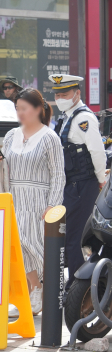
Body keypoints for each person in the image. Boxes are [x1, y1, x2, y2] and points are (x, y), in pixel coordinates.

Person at [0, 88, 65, 316]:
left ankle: (39, 291)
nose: (20, 113)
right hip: (14, 198)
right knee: (18, 247)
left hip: (39, 201)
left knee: (35, 248)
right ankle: (34, 291)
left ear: (38, 109)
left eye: (24, 108)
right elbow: (3, 169)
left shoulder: (50, 137)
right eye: (17, 108)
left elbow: (58, 174)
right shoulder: (12, 135)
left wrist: (52, 205)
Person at [50, 74, 106, 289]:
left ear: (77, 94)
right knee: (68, 236)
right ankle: (71, 283)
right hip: (70, 185)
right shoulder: (66, 116)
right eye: (57, 94)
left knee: (74, 237)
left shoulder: (84, 118)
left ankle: (75, 287)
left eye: (65, 93)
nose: (60, 97)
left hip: (83, 185)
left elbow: (97, 152)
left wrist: (101, 181)